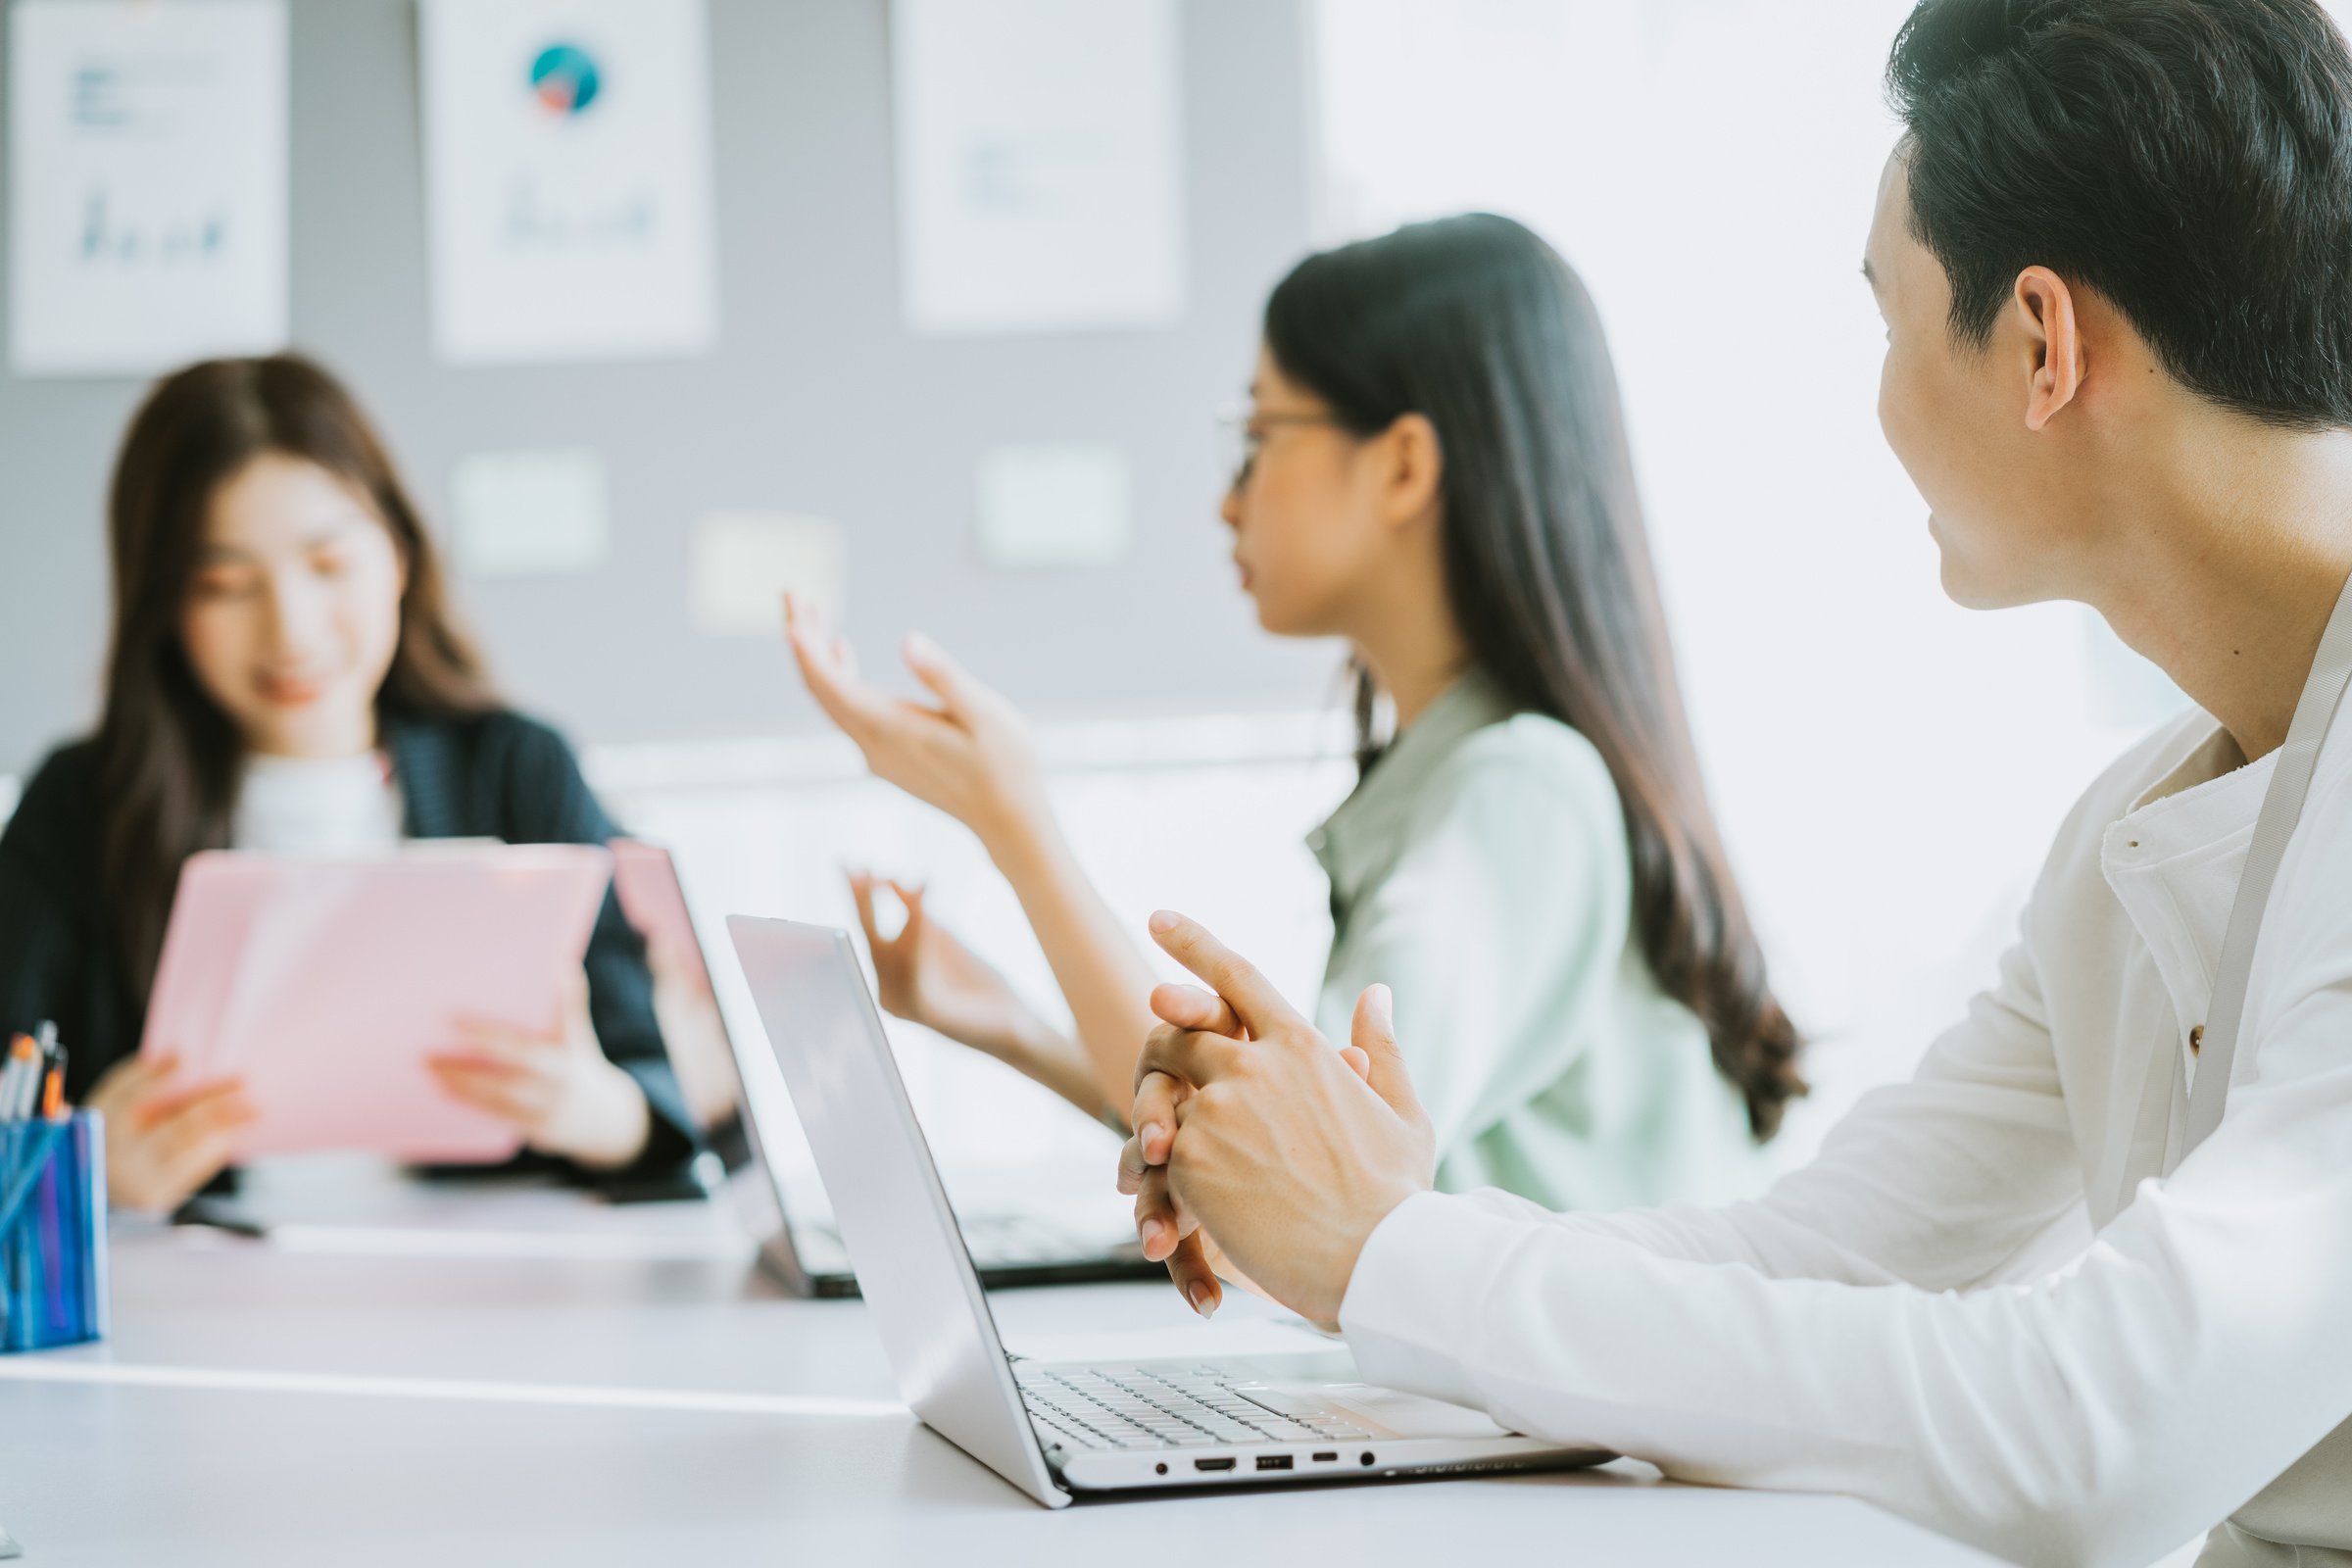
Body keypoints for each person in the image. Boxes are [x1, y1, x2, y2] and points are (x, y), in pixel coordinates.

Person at [1118, 1, 2352, 1563]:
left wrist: (1391, 1252)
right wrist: (1369, 1227)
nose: (1880, 398)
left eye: (1888, 323)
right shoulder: (2133, 827)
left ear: (2043, 346)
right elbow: (1815, 1259)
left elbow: (2092, 1432)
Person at [787, 214, 1802, 1240]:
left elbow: (1301, 1186)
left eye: (1259, 439)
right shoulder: (1483, 770)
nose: (1230, 502)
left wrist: (1017, 828)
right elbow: (1268, 1154)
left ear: (1403, 466)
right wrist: (1010, 1026)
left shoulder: (1518, 794)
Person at [0, 355, 697, 1214]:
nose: (290, 629)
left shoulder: (519, 770)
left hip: (504, 1299)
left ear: (400, 556)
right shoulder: (78, 808)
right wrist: (79, 1174)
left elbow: (665, 1098)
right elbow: (12, 1115)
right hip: (190, 1313)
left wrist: (596, 1111)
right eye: (224, 585)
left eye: (328, 565)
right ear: (165, 607)